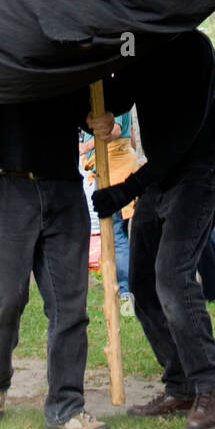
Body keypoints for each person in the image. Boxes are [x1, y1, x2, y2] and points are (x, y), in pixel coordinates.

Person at [92, 31, 215, 429]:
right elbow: (116, 96)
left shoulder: (195, 48)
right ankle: (182, 385)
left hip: (199, 172)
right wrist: (95, 105)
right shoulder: (140, 46)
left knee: (172, 276)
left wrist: (125, 190)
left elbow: (179, 141)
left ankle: (212, 387)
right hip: (160, 178)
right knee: (141, 285)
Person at [0, 91, 113, 429]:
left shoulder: (71, 44)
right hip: (1, 180)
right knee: (5, 299)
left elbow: (90, 98)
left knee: (70, 306)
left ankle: (66, 407)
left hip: (62, 183)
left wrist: (100, 115)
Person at [80, 111, 138, 315]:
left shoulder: (111, 98)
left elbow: (115, 130)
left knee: (117, 234)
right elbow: (131, 136)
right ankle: (125, 290)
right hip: (122, 166)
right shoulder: (122, 101)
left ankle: (125, 297)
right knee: (122, 233)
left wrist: (84, 147)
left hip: (114, 170)